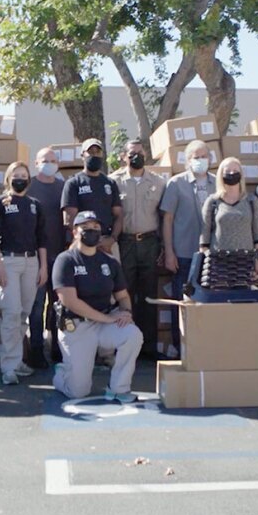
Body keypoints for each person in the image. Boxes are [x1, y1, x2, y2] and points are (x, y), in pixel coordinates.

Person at [52, 211, 143, 402]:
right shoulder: (65, 260)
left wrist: (126, 312)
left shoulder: (109, 262)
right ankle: (62, 374)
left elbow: (123, 296)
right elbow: (70, 301)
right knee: (78, 391)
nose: (91, 232)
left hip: (104, 323)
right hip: (77, 327)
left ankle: (119, 388)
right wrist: (108, 318)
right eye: (85, 228)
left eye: (95, 228)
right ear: (75, 232)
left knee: (132, 334)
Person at [0, 161, 49, 385]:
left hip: (31, 263)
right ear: (8, 178)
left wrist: (43, 266)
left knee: (23, 313)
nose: (20, 178)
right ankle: (9, 367)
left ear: (29, 179)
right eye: (16, 175)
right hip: (8, 262)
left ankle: (17, 359)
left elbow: (42, 237)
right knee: (11, 313)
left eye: (24, 174)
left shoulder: (34, 205)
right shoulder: (0, 203)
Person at [158, 139, 215, 355]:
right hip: (183, 252)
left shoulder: (216, 183)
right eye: (196, 157)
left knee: (207, 301)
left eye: (204, 156)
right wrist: (169, 252)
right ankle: (179, 346)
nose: (200, 160)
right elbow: (168, 220)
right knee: (181, 302)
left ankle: (205, 348)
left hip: (210, 255)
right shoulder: (176, 183)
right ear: (187, 160)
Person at [111, 139, 166, 359]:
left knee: (149, 295)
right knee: (125, 294)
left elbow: (163, 217)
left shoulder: (158, 182)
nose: (137, 156)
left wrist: (163, 246)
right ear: (124, 156)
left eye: (140, 152)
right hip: (125, 242)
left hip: (150, 243)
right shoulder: (114, 181)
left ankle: (149, 346)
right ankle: (125, 345)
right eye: (132, 153)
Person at [25, 146, 67, 367]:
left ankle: (58, 349)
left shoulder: (63, 187)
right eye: (45, 160)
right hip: (35, 256)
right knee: (36, 305)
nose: (49, 164)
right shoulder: (29, 185)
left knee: (58, 305)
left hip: (60, 255)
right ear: (36, 163)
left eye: (53, 160)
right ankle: (36, 351)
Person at [62, 137, 124, 260]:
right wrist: (90, 240)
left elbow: (118, 215)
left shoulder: (110, 183)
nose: (94, 155)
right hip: (82, 242)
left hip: (107, 243)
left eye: (98, 152)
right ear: (82, 155)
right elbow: (69, 219)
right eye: (90, 152)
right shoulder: (73, 183)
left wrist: (112, 239)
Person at [201, 158, 258, 252]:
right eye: (227, 171)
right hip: (218, 259)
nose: (231, 173)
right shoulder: (212, 201)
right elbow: (204, 237)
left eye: (235, 171)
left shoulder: (251, 200)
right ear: (220, 175)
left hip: (245, 260)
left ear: (241, 175)